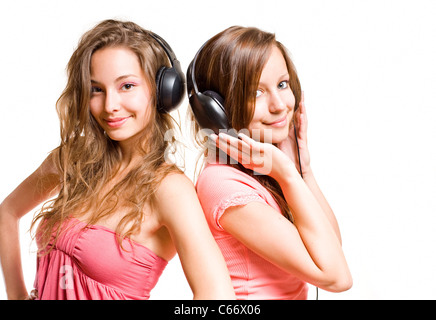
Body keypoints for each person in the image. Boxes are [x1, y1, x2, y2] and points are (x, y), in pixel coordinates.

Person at [0, 19, 235, 300]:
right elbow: (7, 212)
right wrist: (17, 295)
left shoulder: (169, 189)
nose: (110, 105)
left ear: (162, 91)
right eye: (96, 89)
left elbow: (217, 295)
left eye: (127, 86)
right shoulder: (72, 159)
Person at [187, 26, 352, 300]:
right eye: (256, 93)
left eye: (282, 84)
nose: (279, 105)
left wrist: (302, 171)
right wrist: (287, 173)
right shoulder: (223, 185)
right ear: (218, 110)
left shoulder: (264, 170)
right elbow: (336, 277)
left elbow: (331, 246)